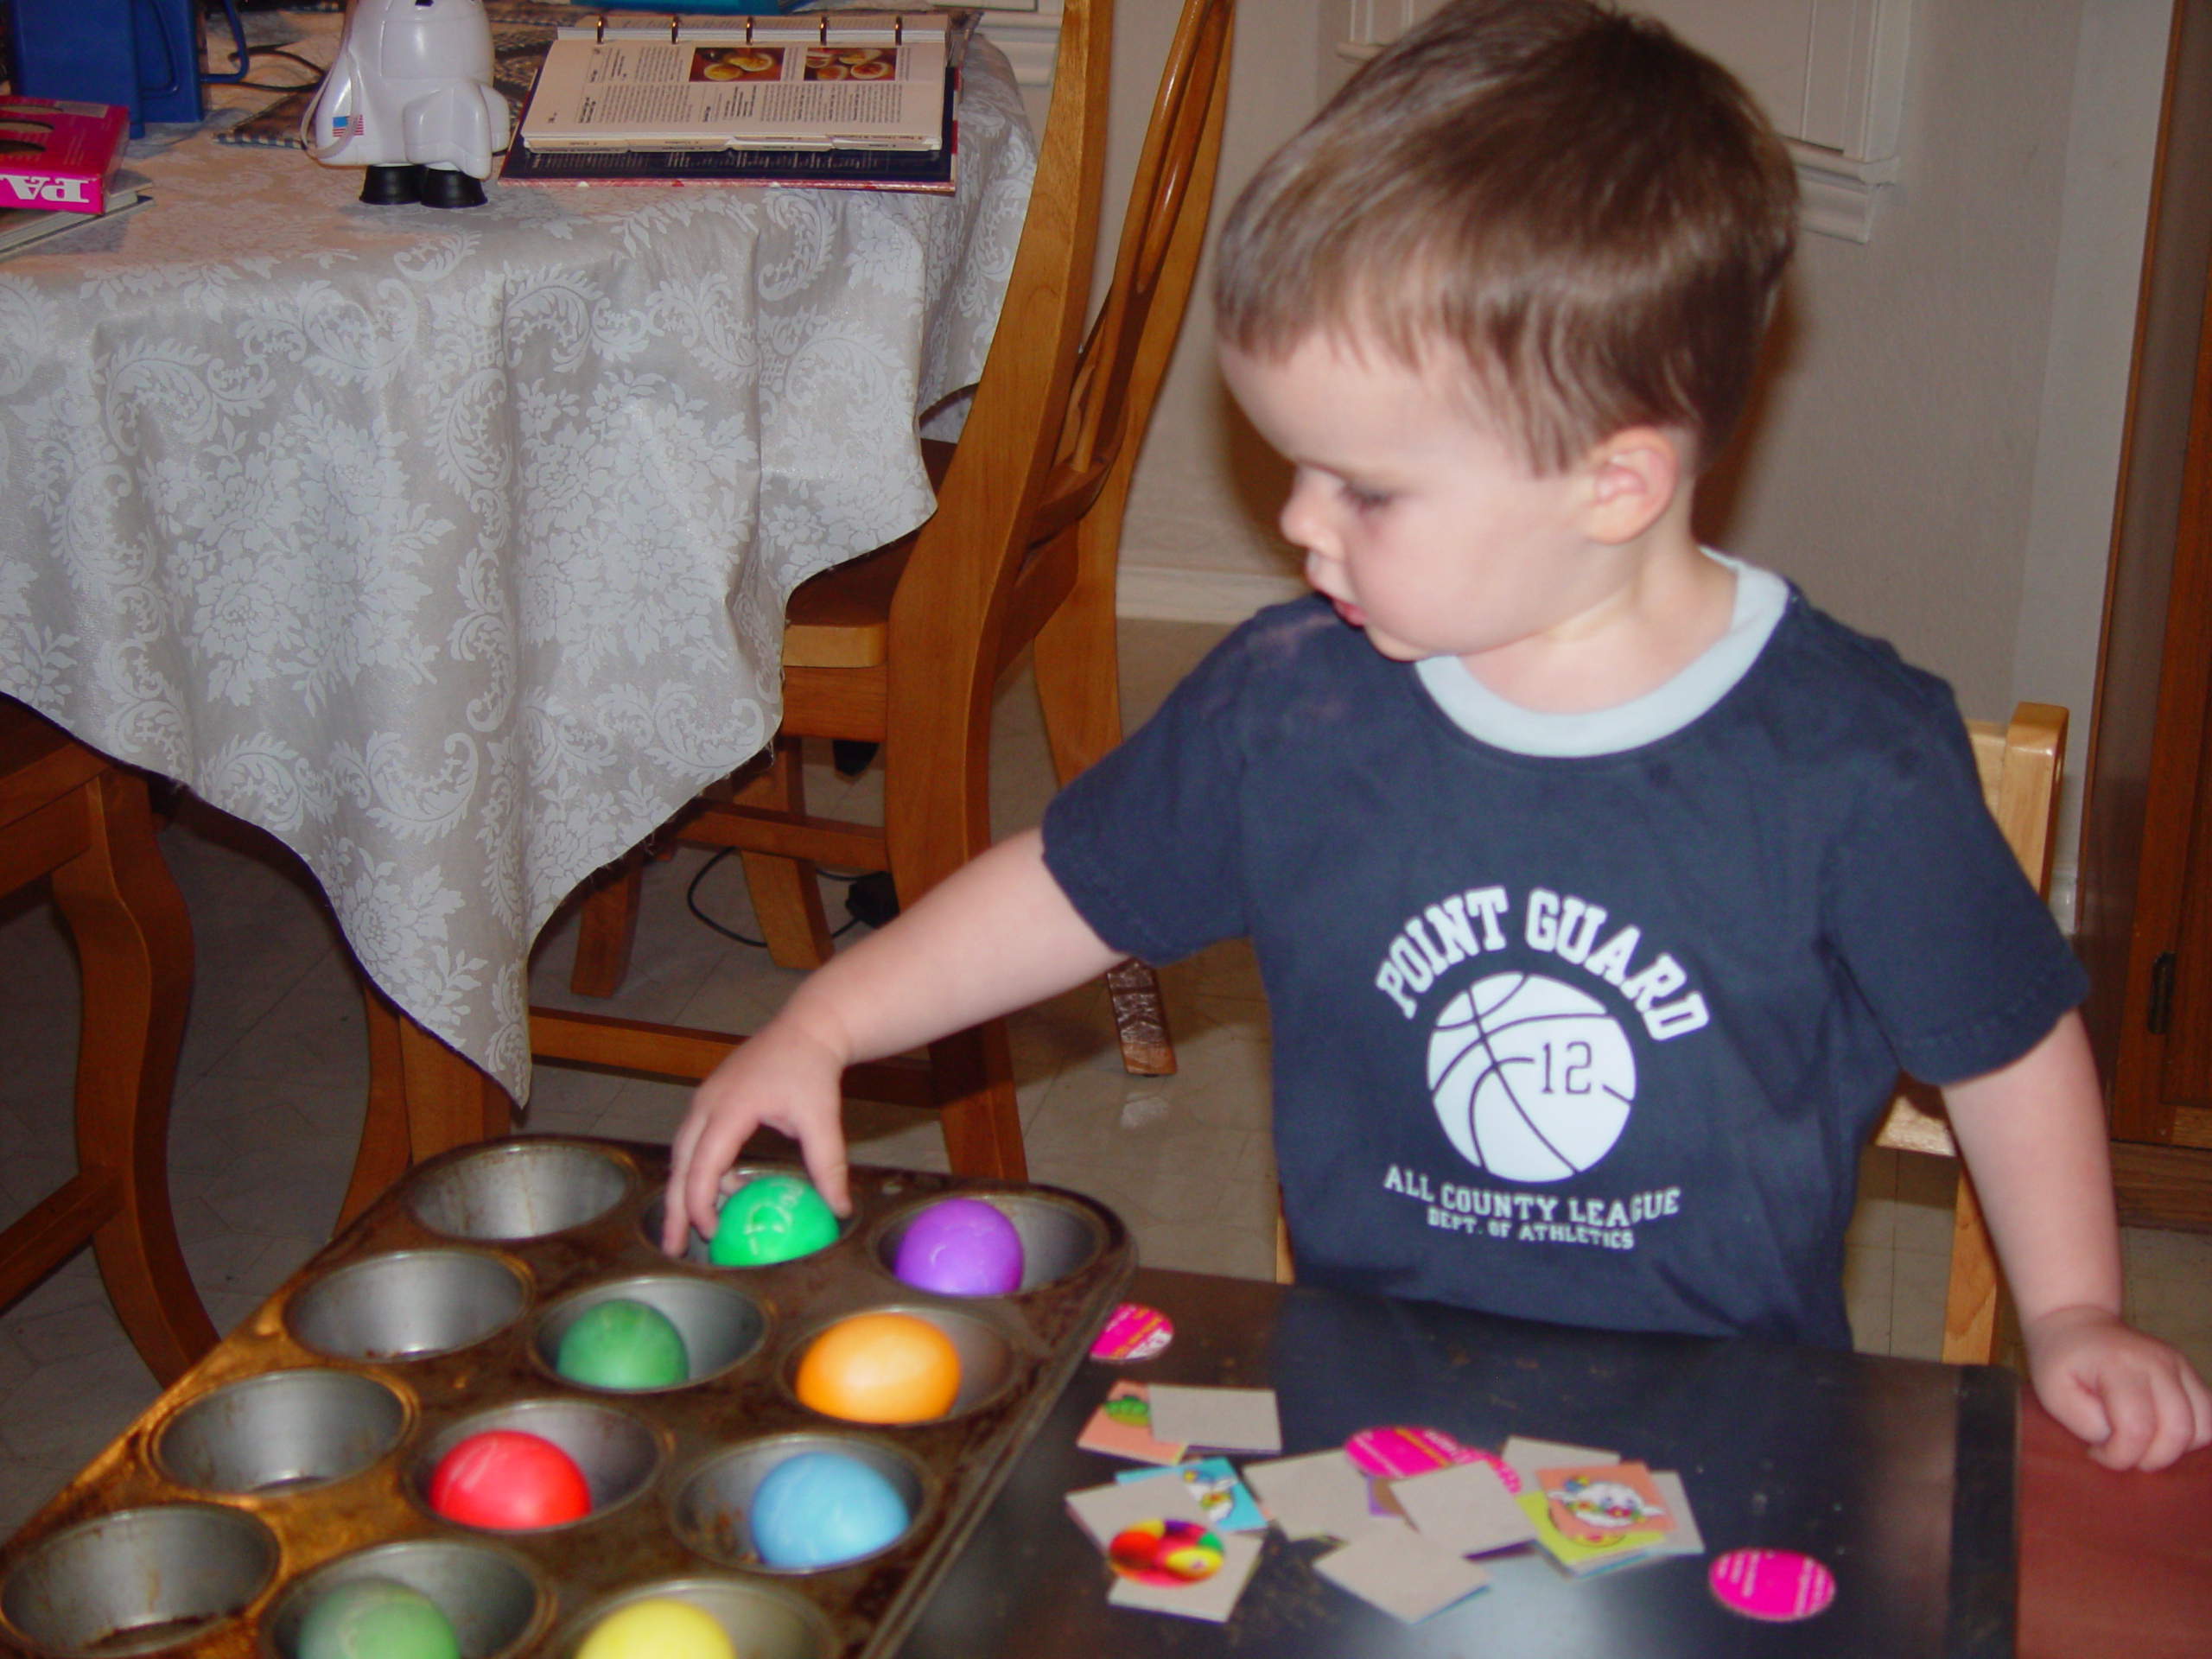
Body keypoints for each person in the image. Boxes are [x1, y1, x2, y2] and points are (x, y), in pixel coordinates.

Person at [666, 0, 2211, 1471]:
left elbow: (2007, 1047)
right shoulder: (1290, 704)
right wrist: (831, 1021)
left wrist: (2074, 1309)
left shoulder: (1856, 763)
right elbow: (1066, 888)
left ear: (1616, 484)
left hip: (1730, 1429)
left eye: (1366, 489)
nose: (1295, 522)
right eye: (1295, 465)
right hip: (1371, 1408)